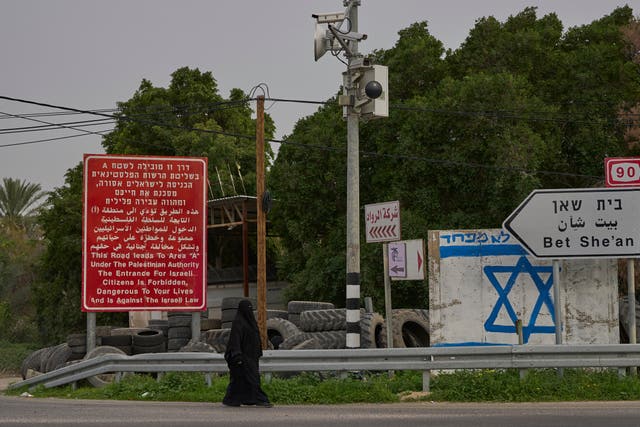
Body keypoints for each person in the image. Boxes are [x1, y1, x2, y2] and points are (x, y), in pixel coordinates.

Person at [222, 299, 272, 407]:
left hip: (252, 357)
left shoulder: (251, 323)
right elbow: (235, 339)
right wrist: (237, 355)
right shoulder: (238, 322)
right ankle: (261, 399)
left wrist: (258, 353)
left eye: (250, 307)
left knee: (242, 380)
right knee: (249, 379)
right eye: (247, 308)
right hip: (242, 357)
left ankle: (236, 399)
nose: (249, 310)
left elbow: (256, 339)